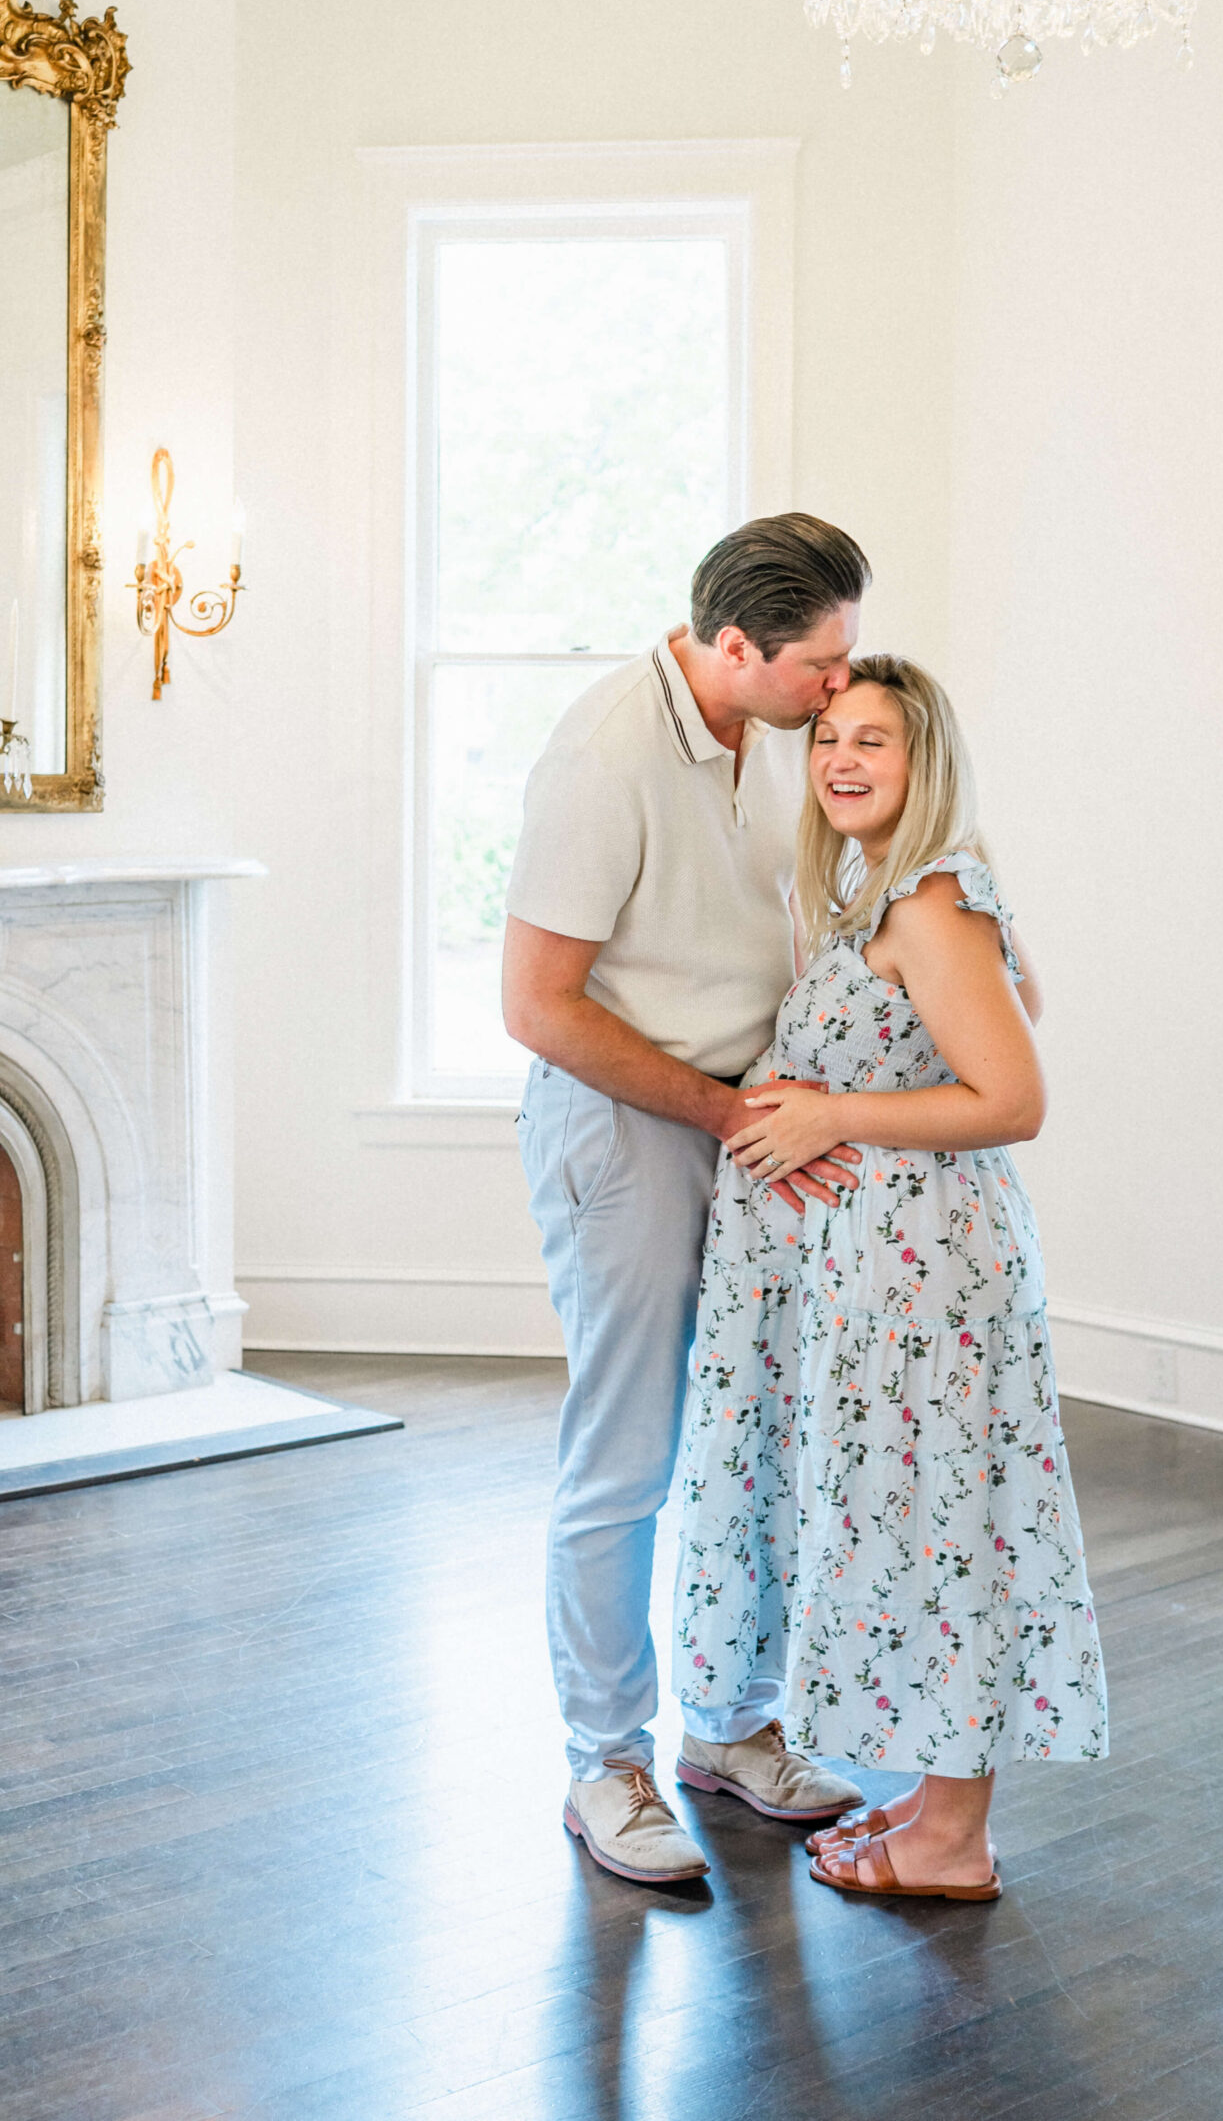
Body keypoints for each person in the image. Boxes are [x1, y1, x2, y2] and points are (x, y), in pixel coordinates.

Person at [674, 656, 1106, 1902]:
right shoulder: (896, 892)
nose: (844, 760)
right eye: (829, 740)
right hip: (897, 1275)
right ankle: (936, 1805)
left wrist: (830, 1118)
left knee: (942, 1531)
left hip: (929, 1283)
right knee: (923, 1526)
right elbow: (1004, 1014)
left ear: (927, 764)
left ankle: (951, 1843)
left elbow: (1014, 1098)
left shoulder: (927, 901)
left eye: (877, 741)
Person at [503, 513, 873, 1886]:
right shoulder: (603, 756)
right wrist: (723, 1116)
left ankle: (731, 1725)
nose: (838, 687)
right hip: (625, 1118)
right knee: (629, 1452)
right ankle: (603, 1760)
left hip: (749, 1110)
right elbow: (535, 1008)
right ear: (732, 646)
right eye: (817, 664)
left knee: (754, 1438)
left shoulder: (778, 742)